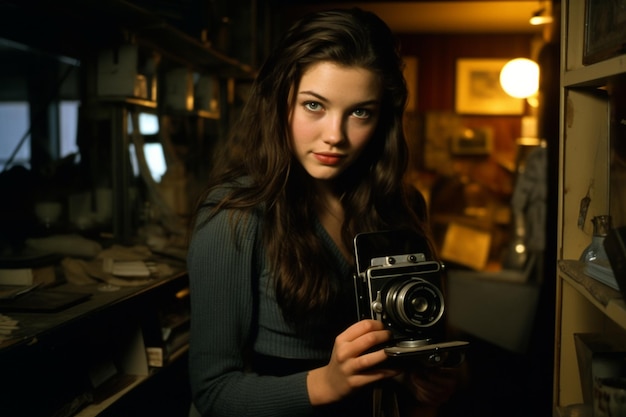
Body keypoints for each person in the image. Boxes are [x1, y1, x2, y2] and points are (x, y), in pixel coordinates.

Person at [187, 8, 460, 417]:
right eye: (314, 106)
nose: (335, 135)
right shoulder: (235, 214)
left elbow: (427, 341)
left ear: (382, 117)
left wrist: (429, 380)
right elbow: (212, 393)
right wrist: (327, 382)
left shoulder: (402, 204)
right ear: (280, 100)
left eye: (360, 112)